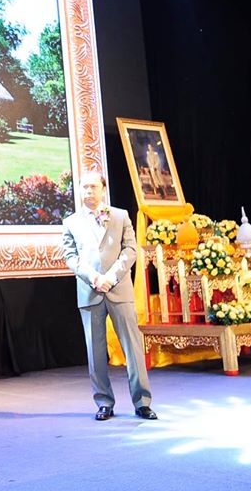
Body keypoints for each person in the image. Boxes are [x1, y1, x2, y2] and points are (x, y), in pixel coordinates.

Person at [61, 171, 157, 421]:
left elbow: (130, 250)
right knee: (95, 352)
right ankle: (104, 402)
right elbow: (70, 256)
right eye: (84, 187)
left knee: (132, 348)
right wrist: (94, 277)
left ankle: (142, 402)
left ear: (103, 189)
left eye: (93, 187)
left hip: (118, 289)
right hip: (89, 290)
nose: (88, 191)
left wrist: (111, 277)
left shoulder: (120, 215)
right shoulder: (71, 222)